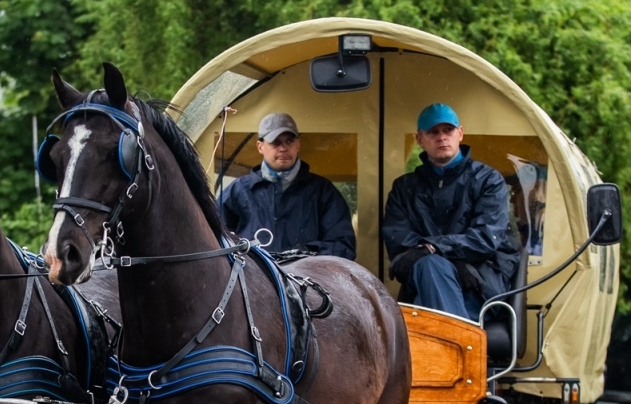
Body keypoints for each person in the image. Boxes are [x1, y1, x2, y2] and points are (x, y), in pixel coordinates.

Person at [382, 103, 521, 321]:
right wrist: (446, 257)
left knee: (429, 266)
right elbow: (398, 241)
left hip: (478, 285)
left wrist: (433, 248)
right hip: (424, 283)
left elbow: (486, 238)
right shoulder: (404, 188)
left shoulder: (488, 180)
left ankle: (449, 343)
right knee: (430, 265)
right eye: (433, 132)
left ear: (460, 134)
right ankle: (457, 345)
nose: (442, 137)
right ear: (419, 139)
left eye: (448, 130)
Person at [218, 112, 355, 259]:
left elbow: (344, 246)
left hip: (306, 280)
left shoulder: (323, 192)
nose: (283, 148)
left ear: (298, 144)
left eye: (289, 141)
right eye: (275, 142)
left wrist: (306, 253)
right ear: (260, 146)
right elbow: (215, 240)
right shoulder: (238, 191)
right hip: (252, 280)